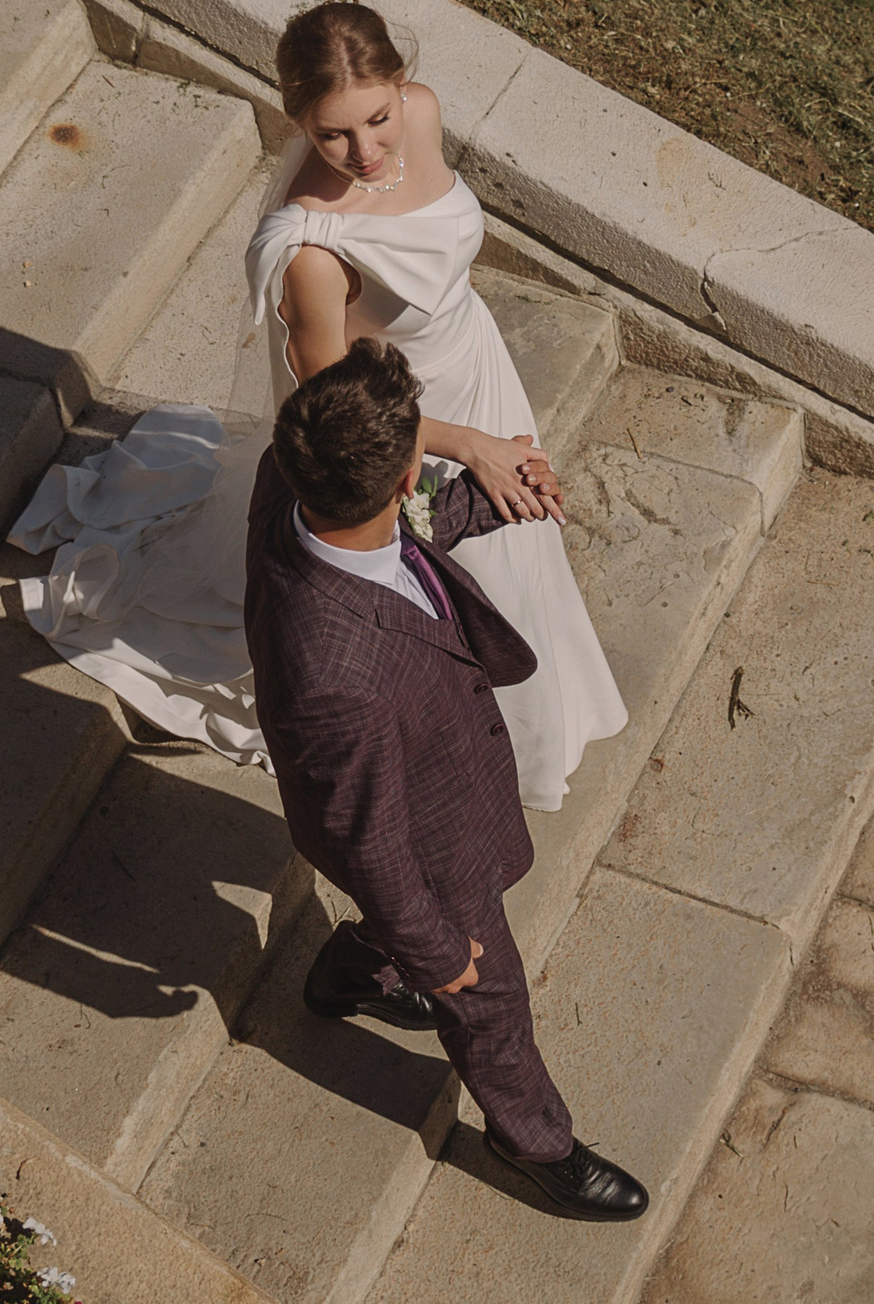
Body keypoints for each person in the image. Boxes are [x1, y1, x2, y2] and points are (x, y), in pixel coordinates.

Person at [10, 0, 626, 812]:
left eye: (377, 118)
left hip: (476, 365)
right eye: (332, 134)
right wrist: (466, 446)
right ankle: (471, 744)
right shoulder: (311, 251)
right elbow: (334, 411)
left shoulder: (423, 111)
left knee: (516, 558)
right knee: (461, 577)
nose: (365, 151)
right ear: (297, 120)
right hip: (400, 427)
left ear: (400, 87)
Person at [247, 338, 645, 1221]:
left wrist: (487, 502)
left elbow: (412, 523)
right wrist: (438, 955)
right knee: (491, 996)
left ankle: (349, 976)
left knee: (419, 948)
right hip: (425, 843)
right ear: (395, 483)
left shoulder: (296, 484)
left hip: (432, 778)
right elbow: (368, 838)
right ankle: (534, 1141)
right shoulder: (337, 681)